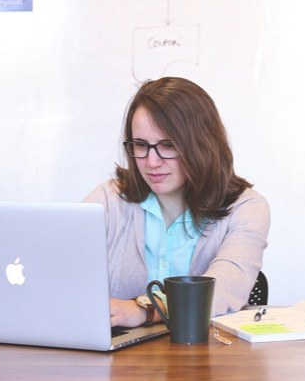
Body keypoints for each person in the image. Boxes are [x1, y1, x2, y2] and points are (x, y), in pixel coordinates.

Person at [82, 77, 270, 328]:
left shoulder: (246, 208)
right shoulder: (108, 200)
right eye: (141, 145)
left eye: (167, 145)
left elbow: (226, 285)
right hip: (119, 361)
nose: (151, 162)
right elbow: (58, 265)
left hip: (210, 357)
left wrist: (144, 309)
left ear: (202, 144)